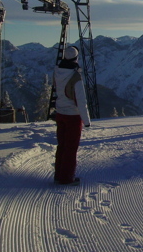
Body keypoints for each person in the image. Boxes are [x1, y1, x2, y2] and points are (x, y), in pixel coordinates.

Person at [53, 45, 90, 185]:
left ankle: (59, 174)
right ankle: (67, 177)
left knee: (62, 145)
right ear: (76, 58)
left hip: (60, 113)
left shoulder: (57, 71)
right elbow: (81, 100)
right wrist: (86, 121)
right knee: (71, 147)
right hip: (73, 116)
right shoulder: (75, 77)